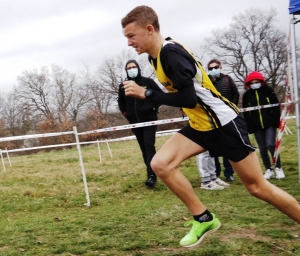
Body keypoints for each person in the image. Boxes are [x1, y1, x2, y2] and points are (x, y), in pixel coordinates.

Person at [121, 5, 300, 248]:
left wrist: (147, 93)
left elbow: (188, 99)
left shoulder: (170, 54)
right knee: (160, 164)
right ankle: (203, 218)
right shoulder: (156, 57)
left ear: (149, 29)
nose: (129, 42)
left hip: (224, 124)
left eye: (131, 36)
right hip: (201, 126)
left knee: (257, 188)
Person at [118, 59, 161, 187]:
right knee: (143, 148)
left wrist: (153, 107)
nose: (131, 69)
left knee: (149, 146)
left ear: (138, 68)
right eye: (129, 68)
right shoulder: (123, 86)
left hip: (149, 119)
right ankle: (150, 172)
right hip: (135, 122)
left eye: (133, 67)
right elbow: (121, 102)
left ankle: (152, 175)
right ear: (126, 70)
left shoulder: (148, 82)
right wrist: (126, 114)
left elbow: (159, 96)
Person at [242, 71, 285, 179]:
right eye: (252, 83)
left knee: (271, 144)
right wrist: (249, 126)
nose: (254, 84)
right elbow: (246, 112)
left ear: (261, 82)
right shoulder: (247, 95)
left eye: (257, 82)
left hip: (270, 123)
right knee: (262, 148)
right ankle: (268, 169)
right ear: (249, 84)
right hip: (256, 126)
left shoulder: (268, 91)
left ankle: (278, 167)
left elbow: (275, 107)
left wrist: (276, 122)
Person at [207, 59, 239, 182]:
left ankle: (229, 172)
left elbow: (235, 94)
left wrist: (232, 108)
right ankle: (216, 172)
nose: (213, 70)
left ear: (220, 67)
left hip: (227, 116)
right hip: (212, 117)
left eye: (215, 67)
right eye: (210, 68)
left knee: (227, 145)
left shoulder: (227, 79)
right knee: (214, 147)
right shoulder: (207, 81)